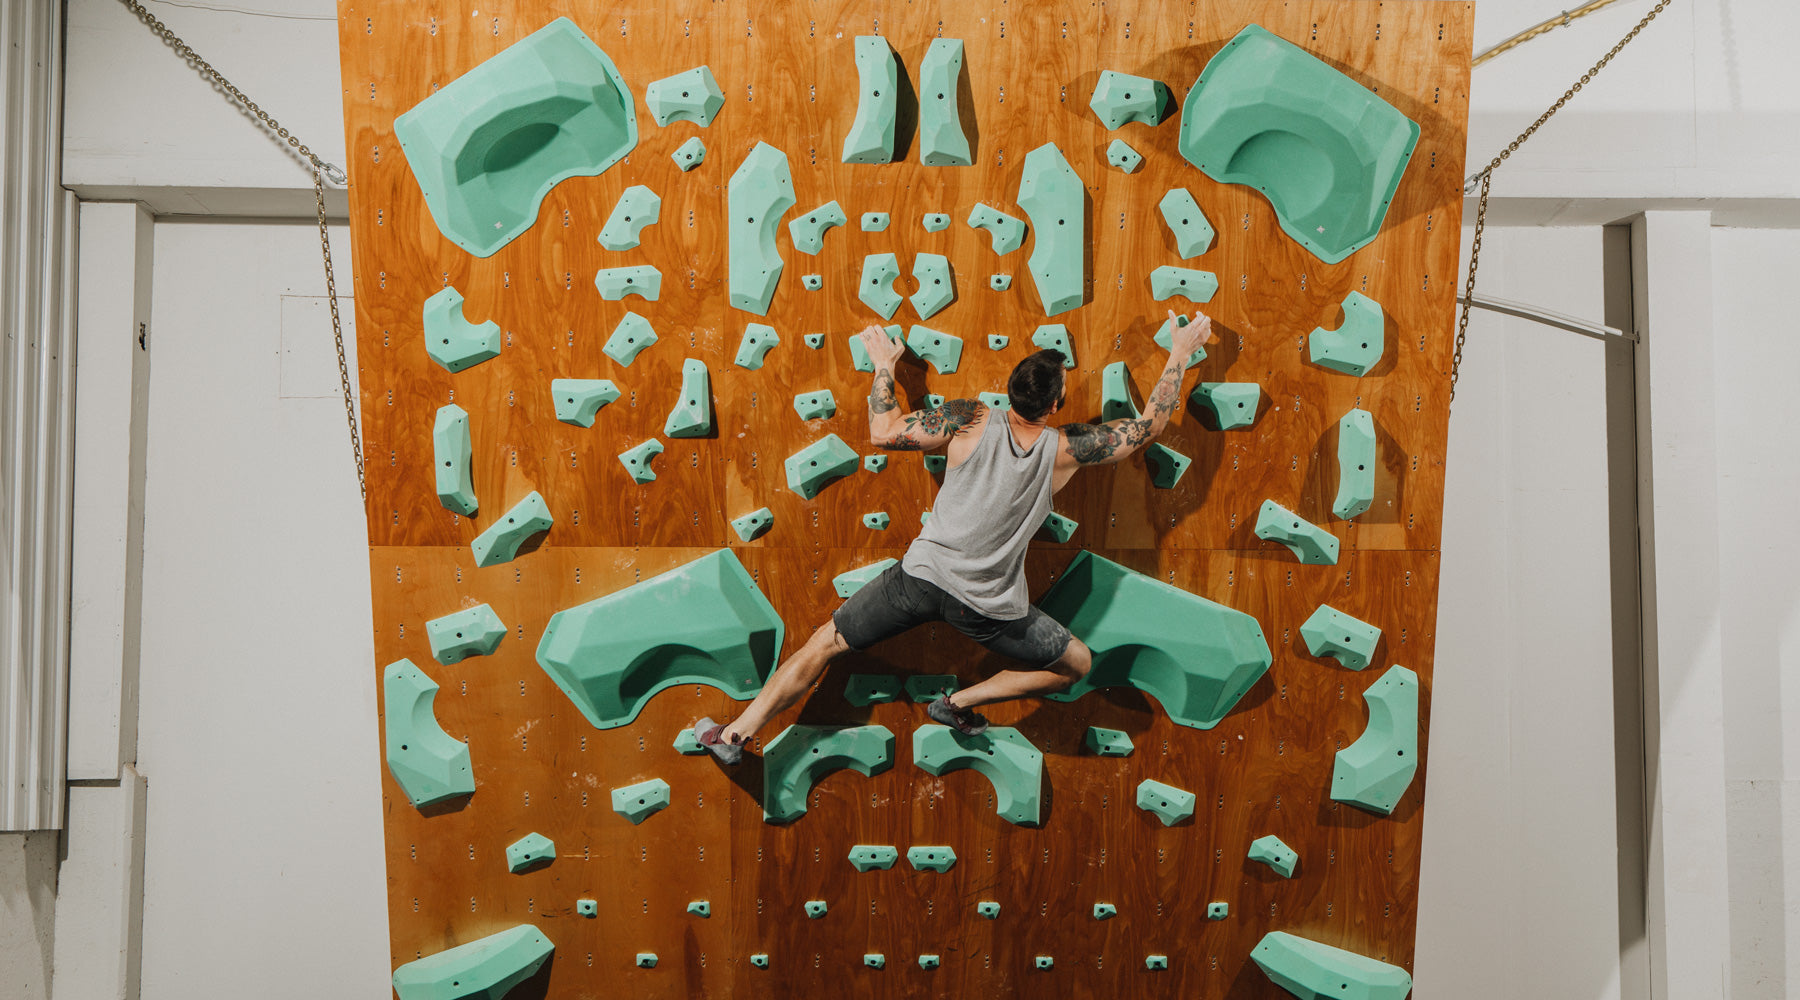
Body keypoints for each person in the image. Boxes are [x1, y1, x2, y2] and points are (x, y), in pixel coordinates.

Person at [695, 310, 1215, 763]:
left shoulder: (968, 419)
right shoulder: (1067, 448)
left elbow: (883, 431)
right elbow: (1147, 428)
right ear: (1056, 405)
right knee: (1076, 664)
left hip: (919, 579)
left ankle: (737, 733)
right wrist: (1180, 352)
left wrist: (884, 365)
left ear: (1009, 390)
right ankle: (959, 704)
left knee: (824, 643)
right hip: (985, 606)